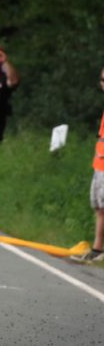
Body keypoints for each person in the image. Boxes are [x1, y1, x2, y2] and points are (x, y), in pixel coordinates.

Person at [71, 66, 104, 264]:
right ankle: (97, 248)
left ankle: (97, 248)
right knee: (99, 207)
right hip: (99, 164)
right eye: (102, 79)